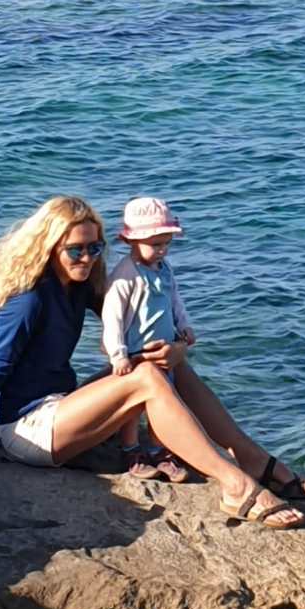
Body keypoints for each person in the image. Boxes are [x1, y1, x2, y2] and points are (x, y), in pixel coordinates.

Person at [0, 195, 305, 529]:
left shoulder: (78, 285)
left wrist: (177, 347)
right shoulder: (28, 300)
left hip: (63, 406)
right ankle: (235, 484)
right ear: (49, 248)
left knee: (165, 365)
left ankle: (251, 458)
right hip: (26, 430)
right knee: (145, 378)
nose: (87, 258)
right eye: (76, 249)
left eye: (95, 248)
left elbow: (137, 322)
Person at [102, 196, 196, 482]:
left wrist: (184, 325)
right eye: (155, 244)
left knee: (162, 400)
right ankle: (131, 450)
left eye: (167, 243)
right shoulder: (125, 275)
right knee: (133, 406)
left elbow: (173, 300)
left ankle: (159, 449)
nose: (162, 250)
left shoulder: (164, 269)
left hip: (162, 349)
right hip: (135, 352)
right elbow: (113, 318)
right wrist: (118, 355)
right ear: (130, 241)